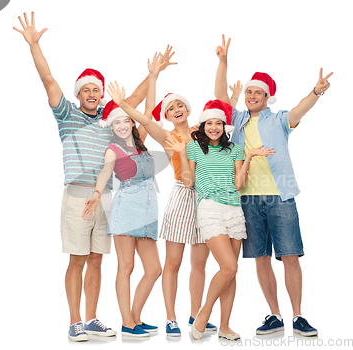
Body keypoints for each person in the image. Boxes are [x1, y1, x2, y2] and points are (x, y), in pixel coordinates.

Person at [13, 12, 175, 341]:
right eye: (85, 89)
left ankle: (91, 319)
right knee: (77, 259)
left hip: (106, 197)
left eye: (95, 89)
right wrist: (34, 46)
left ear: (101, 95)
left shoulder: (109, 119)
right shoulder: (66, 113)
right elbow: (49, 81)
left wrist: (152, 74)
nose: (91, 93)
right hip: (77, 196)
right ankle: (74, 321)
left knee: (97, 260)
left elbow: (133, 103)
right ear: (78, 94)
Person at [105, 55, 240, 337]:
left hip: (207, 199)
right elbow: (143, 118)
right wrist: (125, 103)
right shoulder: (166, 137)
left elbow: (222, 117)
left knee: (199, 263)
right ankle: (170, 317)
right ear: (166, 115)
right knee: (173, 262)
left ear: (188, 110)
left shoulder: (202, 131)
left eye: (180, 105)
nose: (176, 109)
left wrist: (225, 69)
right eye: (170, 108)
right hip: (182, 195)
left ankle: (195, 314)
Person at [214, 34, 332, 337]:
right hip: (246, 199)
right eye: (249, 91)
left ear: (267, 97)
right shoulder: (236, 120)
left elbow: (299, 111)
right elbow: (218, 98)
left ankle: (298, 316)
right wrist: (223, 61)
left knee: (290, 255)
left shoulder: (279, 119)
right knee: (261, 258)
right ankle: (275, 315)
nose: (252, 95)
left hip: (281, 196)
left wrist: (315, 93)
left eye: (258, 92)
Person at [165, 99, 273, 341]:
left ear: (225, 127)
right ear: (202, 127)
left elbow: (238, 184)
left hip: (235, 211)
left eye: (218, 123)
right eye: (209, 123)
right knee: (230, 266)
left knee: (231, 273)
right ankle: (204, 312)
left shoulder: (234, 149)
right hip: (210, 209)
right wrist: (181, 153)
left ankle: (225, 326)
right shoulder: (193, 148)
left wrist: (248, 158)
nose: (214, 127)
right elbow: (189, 181)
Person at [81, 53, 167, 338]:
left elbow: (151, 110)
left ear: (130, 123)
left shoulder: (141, 140)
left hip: (148, 209)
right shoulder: (113, 150)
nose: (122, 126)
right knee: (126, 266)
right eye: (116, 123)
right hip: (126, 209)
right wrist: (95, 193)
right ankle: (127, 323)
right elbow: (105, 175)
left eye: (125, 121)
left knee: (154, 269)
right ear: (112, 127)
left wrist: (153, 76)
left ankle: (136, 316)